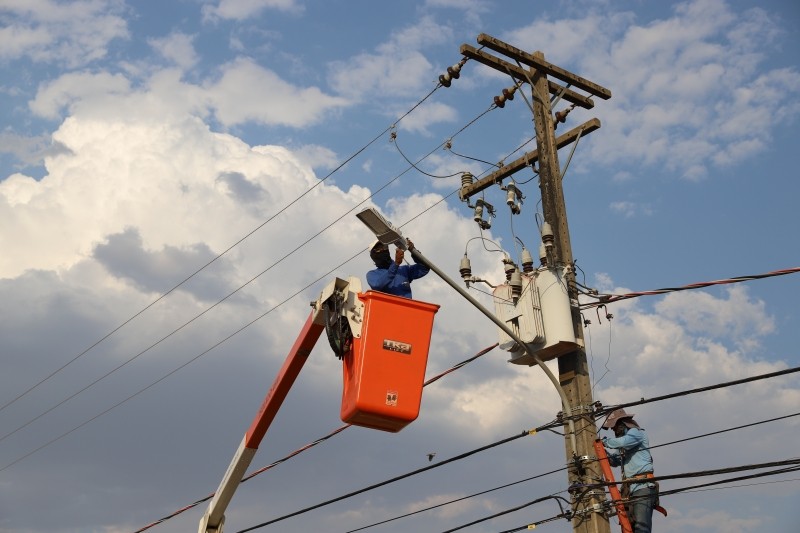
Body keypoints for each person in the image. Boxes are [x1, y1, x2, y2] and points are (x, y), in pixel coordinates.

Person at [601, 408, 659, 533]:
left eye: (614, 427)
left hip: (643, 487)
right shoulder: (623, 445)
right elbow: (614, 461)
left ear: (622, 423)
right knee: (627, 528)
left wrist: (605, 442)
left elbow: (624, 442)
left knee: (641, 528)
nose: (613, 430)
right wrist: (601, 451)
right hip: (628, 490)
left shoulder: (637, 433)